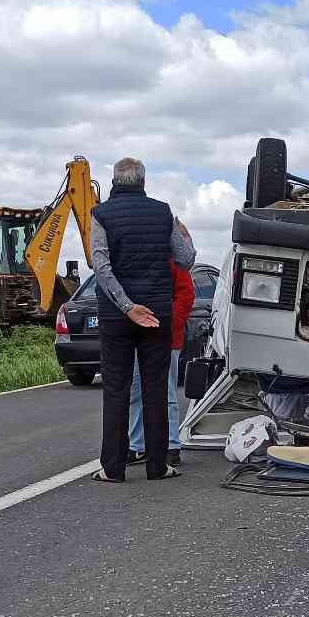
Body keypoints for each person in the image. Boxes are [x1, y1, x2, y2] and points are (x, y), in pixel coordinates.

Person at [89, 158, 196, 482]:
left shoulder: (101, 214)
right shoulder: (163, 213)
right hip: (157, 314)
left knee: (117, 390)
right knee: (155, 389)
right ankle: (158, 465)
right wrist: (184, 236)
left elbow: (101, 266)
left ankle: (113, 468)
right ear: (143, 181)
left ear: (114, 181)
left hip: (117, 317)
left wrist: (125, 306)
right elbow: (186, 260)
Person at [127, 219, 196, 468]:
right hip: (140, 335)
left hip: (165, 337)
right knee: (136, 391)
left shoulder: (174, 263)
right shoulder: (141, 260)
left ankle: (170, 445)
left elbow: (186, 296)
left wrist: (163, 323)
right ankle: (138, 446)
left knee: (165, 392)